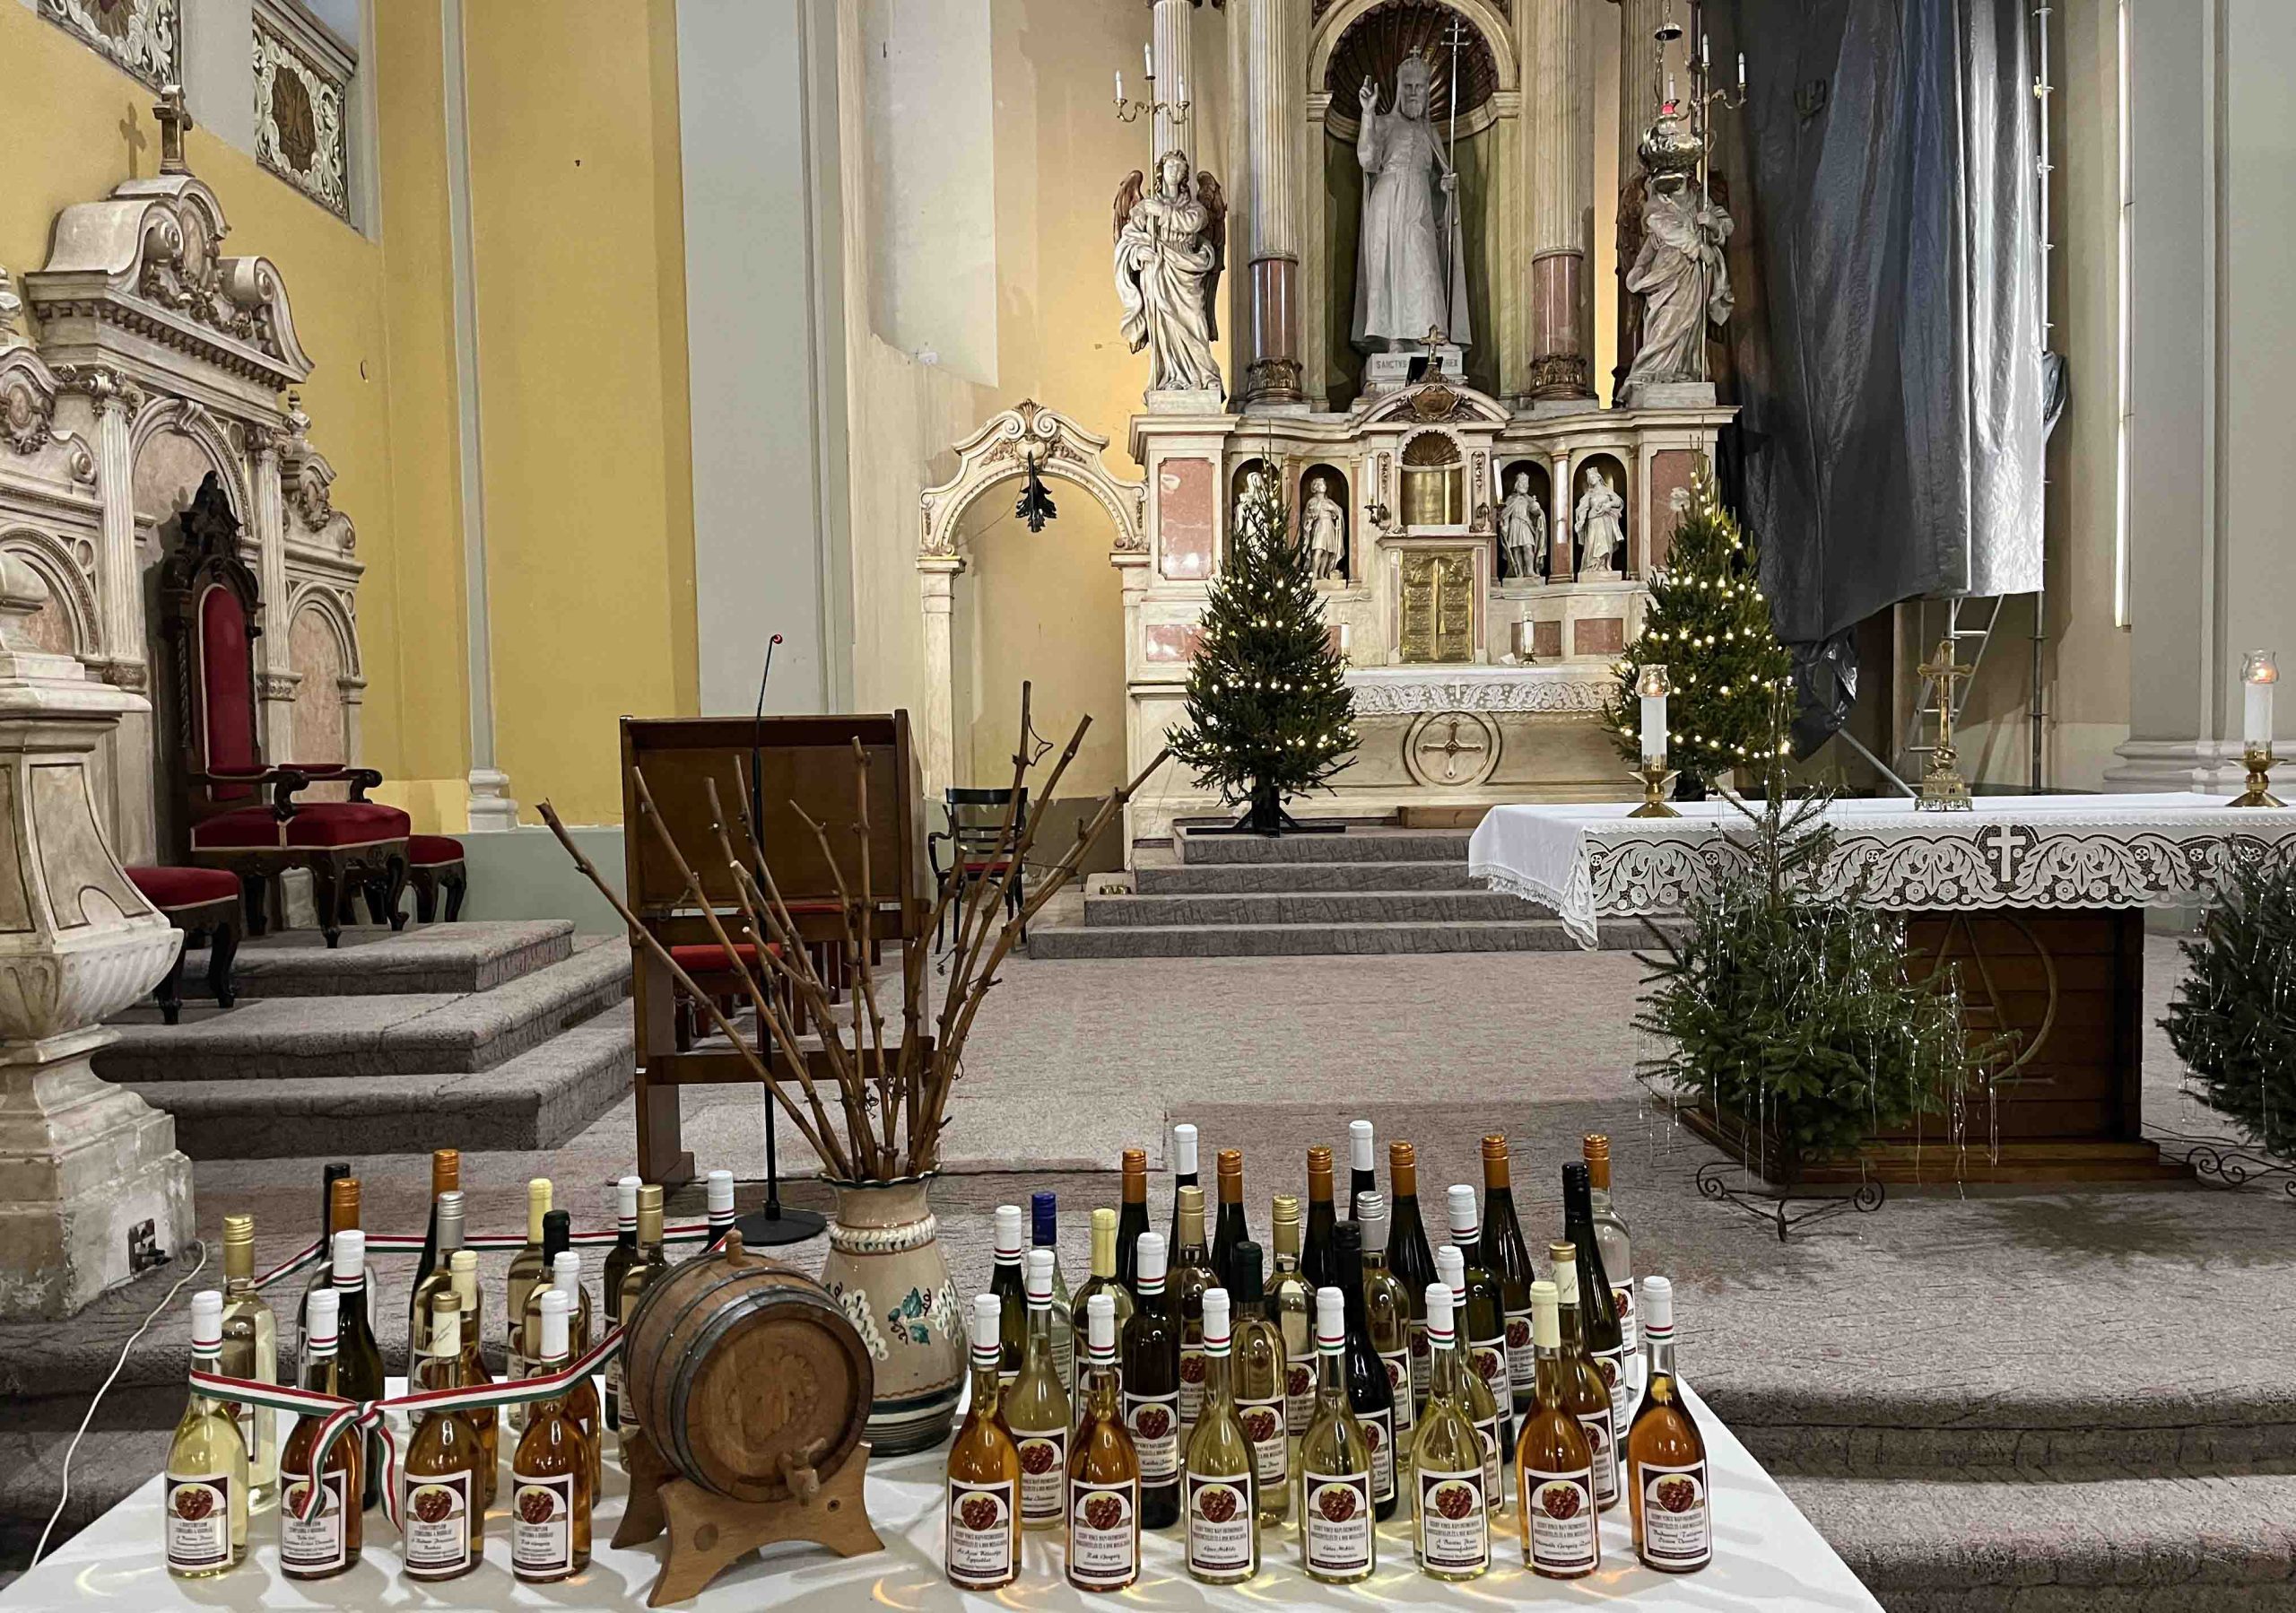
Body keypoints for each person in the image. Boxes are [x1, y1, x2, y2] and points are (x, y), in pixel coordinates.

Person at [1352, 54, 1470, 355]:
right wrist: (1367, 113)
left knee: (1423, 265)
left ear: (1428, 91)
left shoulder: (1430, 133)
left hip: (1419, 206)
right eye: (1408, 86)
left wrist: (1445, 188)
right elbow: (1367, 160)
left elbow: (1438, 180)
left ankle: (1431, 336)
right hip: (1388, 205)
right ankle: (1394, 339)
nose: (1414, 92)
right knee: (1390, 269)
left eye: (1419, 87)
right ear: (1398, 89)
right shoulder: (1383, 123)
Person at [1114, 151, 1224, 394]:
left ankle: (1204, 374)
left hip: (1187, 267)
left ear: (1184, 176)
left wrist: (1161, 211)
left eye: (1179, 168)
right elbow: (1128, 238)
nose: (1174, 171)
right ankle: (1171, 377)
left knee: (1195, 319)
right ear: (1161, 172)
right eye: (1170, 166)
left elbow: (1193, 223)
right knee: (1165, 323)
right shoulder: (1144, 208)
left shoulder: (1195, 208)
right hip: (1158, 269)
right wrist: (1137, 253)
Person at [1622, 181, 1734, 391]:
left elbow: (1726, 226)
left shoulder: (1701, 201)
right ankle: (1650, 369)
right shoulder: (1657, 203)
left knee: (1690, 322)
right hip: (1667, 272)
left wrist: (1712, 223)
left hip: (1694, 273)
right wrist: (1697, 247)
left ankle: (1685, 369)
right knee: (1667, 319)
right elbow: (1659, 224)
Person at [1571, 466, 1627, 576]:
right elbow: (1583, 508)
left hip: (1606, 520)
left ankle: (1604, 565)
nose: (1591, 479)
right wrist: (1581, 521)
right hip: (1593, 521)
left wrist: (1609, 504)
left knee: (1605, 542)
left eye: (1593, 477)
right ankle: (1593, 566)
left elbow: (1618, 502)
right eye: (1589, 478)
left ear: (1598, 477)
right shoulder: (1589, 494)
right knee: (1592, 543)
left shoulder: (1607, 491)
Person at [1499, 472, 1547, 582]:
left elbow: (1535, 513)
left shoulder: (1529, 499)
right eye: (1522, 482)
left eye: (1526, 483)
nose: (1524, 485)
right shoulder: (1511, 499)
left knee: (1528, 547)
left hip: (1525, 524)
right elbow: (1506, 514)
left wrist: (1537, 510)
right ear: (1516, 484)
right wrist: (1505, 526)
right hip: (1514, 524)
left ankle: (1530, 570)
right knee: (1516, 549)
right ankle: (1519, 572)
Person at [1301, 476, 1347, 581]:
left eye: (1324, 484)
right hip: (1320, 526)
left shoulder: (1329, 501)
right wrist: (1316, 511)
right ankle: (1314, 574)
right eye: (1321, 484)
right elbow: (1308, 516)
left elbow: (1339, 512)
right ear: (1315, 488)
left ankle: (1322, 575)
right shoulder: (1313, 501)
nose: (1324, 486)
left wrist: (1332, 509)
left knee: (1327, 552)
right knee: (1318, 550)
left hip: (1329, 526)